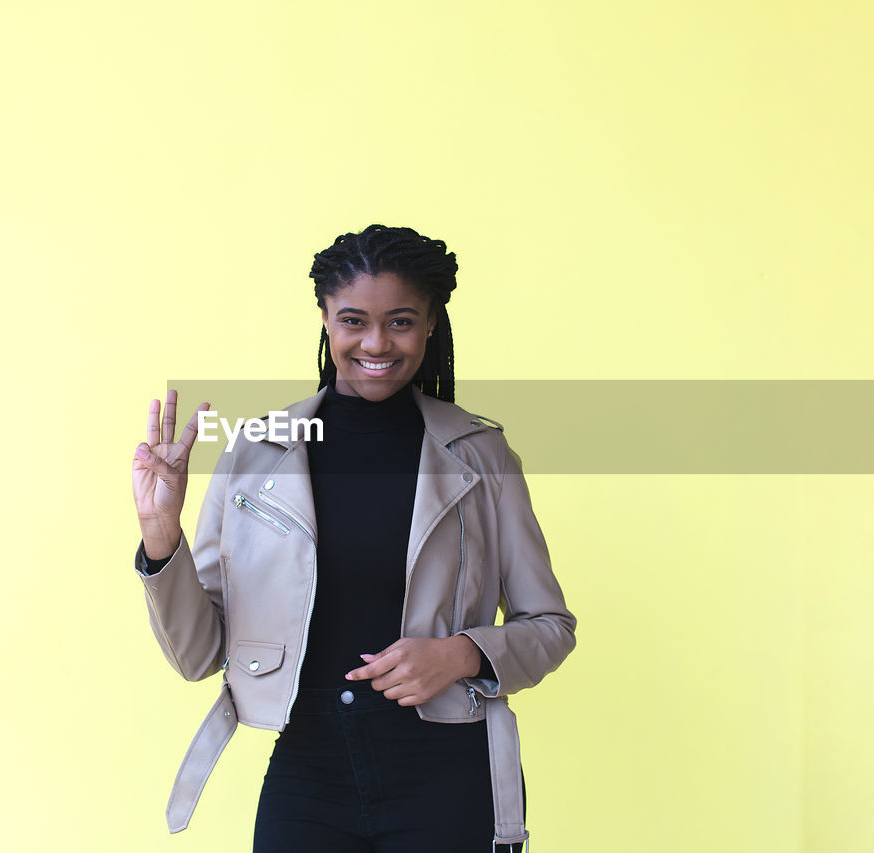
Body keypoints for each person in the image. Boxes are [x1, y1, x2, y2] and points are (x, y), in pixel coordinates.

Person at [131, 224, 577, 851]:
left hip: (447, 771)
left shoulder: (482, 456)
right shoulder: (258, 453)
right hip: (309, 772)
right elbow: (198, 654)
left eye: (400, 321)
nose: (375, 343)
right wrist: (160, 536)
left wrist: (461, 653)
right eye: (352, 320)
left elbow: (550, 625)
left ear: (430, 324)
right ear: (324, 319)